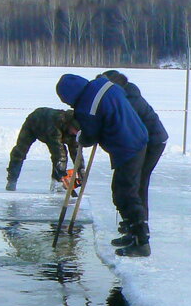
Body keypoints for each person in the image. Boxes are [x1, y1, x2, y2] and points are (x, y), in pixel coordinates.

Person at [56, 72, 150, 257]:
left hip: (127, 146)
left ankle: (141, 241)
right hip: (139, 137)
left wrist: (81, 136)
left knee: (125, 194)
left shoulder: (86, 107)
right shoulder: (105, 84)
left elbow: (89, 137)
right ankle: (132, 234)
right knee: (122, 191)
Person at [100, 70, 168, 247]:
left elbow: (124, 126)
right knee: (133, 183)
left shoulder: (129, 99)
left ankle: (139, 229)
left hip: (152, 142)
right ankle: (133, 225)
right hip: (145, 141)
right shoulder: (124, 95)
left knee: (137, 183)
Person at [5, 107, 81, 192]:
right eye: (75, 130)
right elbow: (58, 153)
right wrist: (60, 177)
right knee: (20, 152)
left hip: (50, 127)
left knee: (63, 155)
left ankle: (57, 182)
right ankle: (12, 181)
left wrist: (81, 169)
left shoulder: (73, 131)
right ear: (69, 125)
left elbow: (76, 151)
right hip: (34, 123)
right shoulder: (55, 125)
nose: (75, 133)